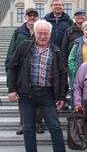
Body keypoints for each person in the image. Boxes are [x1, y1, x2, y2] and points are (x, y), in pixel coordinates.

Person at [6, 19, 66, 152]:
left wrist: (61, 96)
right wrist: (12, 89)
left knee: (55, 127)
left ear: (50, 34)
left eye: (46, 33)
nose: (43, 36)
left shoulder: (56, 51)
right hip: (26, 93)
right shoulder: (24, 46)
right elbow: (11, 67)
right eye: (40, 33)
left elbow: (62, 75)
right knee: (28, 128)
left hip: (47, 94)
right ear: (34, 33)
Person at [5, 8, 44, 135]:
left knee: (39, 99)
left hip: (38, 69)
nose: (32, 17)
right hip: (22, 71)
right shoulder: (18, 32)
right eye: (29, 15)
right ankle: (24, 123)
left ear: (38, 17)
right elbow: (12, 50)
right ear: (25, 17)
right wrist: (9, 65)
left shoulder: (42, 31)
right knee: (23, 100)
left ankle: (38, 123)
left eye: (34, 15)